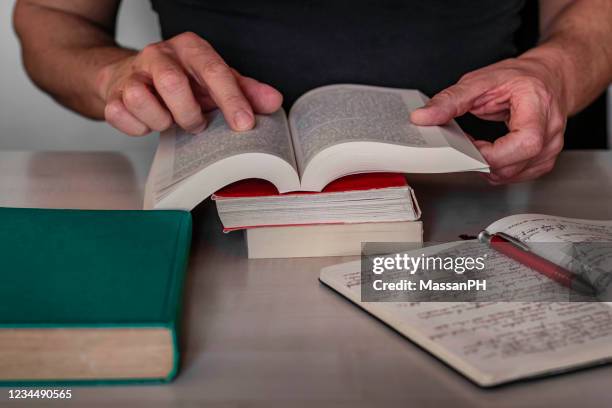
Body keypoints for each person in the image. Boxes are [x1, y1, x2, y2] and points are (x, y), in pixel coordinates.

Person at [13, 0, 612, 184]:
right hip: (225, 197)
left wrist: (554, 71)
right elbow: (50, 18)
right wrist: (111, 76)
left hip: (490, 196)